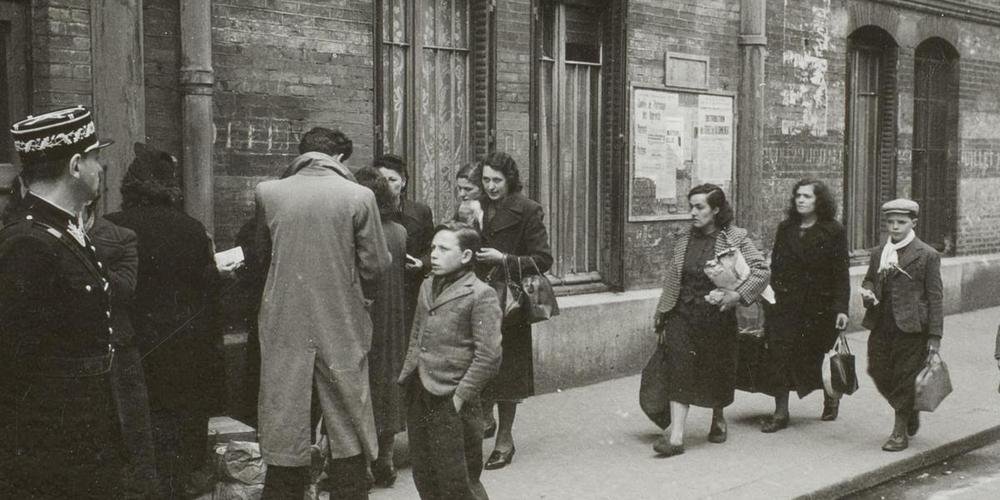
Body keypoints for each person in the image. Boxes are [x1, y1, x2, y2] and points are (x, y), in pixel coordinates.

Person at [254, 127, 391, 498]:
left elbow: (259, 258)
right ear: (339, 159)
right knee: (347, 421)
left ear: (301, 155)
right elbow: (376, 265)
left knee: (285, 422)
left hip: (284, 322)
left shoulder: (269, 192)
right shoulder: (360, 197)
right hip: (340, 321)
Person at [0, 106, 122, 497]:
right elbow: (14, 357)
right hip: (51, 441)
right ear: (74, 166)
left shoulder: (61, 230)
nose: (100, 167)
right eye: (94, 158)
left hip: (81, 428)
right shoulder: (28, 243)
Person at [105, 142, 223, 497]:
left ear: (129, 185)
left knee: (136, 429)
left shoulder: (110, 227)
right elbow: (208, 292)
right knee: (179, 426)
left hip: (131, 346)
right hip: (183, 343)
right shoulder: (192, 228)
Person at [650, 184, 770, 457]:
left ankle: (718, 417)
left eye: (699, 207)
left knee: (717, 369)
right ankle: (677, 437)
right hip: (682, 314)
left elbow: (761, 271)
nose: (692, 212)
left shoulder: (734, 238)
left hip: (716, 315)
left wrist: (736, 295)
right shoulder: (683, 239)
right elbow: (673, 278)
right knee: (680, 366)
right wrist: (662, 312)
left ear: (715, 209)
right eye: (690, 206)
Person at [398, 222, 502, 500]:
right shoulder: (428, 284)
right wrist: (408, 378)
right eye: (433, 247)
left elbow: (489, 356)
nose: (433, 254)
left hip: (453, 399)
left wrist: (460, 397)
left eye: (444, 249)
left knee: (458, 481)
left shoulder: (481, 294)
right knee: (425, 475)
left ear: (466, 256)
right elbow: (417, 335)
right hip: (420, 392)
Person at [476, 151, 553, 470]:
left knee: (508, 373)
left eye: (497, 180)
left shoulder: (527, 209)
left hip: (510, 304)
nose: (491, 186)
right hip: (476, 300)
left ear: (510, 180)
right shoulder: (475, 206)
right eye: (485, 179)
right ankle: (484, 418)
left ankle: (505, 439)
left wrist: (504, 258)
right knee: (478, 365)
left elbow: (543, 260)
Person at [760, 179, 850, 432]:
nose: (801, 200)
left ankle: (831, 396)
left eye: (807, 196)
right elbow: (776, 266)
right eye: (798, 195)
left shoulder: (833, 230)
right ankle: (780, 412)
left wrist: (841, 308)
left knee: (819, 353)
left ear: (819, 201)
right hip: (785, 304)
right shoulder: (786, 228)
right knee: (780, 355)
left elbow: (841, 273)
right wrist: (771, 301)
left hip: (819, 306)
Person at [86, 194, 160, 498]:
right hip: (71, 351)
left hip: (117, 346)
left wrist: (83, 255)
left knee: (131, 432)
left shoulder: (120, 237)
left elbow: (126, 289)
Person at [861, 198, 943, 452]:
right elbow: (869, 280)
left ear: (913, 223)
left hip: (912, 328)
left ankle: (899, 432)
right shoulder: (879, 253)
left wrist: (934, 336)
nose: (895, 227)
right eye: (890, 222)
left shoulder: (927, 254)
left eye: (901, 222)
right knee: (877, 370)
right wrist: (868, 292)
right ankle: (910, 410)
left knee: (905, 378)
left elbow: (935, 296)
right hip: (882, 324)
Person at [355, 166, 409, 487]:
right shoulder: (398, 232)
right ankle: (385, 459)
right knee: (388, 382)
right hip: (392, 319)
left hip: (365, 316)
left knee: (361, 385)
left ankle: (362, 462)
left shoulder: (358, 232)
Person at [375, 154, 434, 334]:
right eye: (381, 179)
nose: (386, 184)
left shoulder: (420, 211)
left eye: (392, 179)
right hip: (381, 288)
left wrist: (422, 263)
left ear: (403, 182)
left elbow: (431, 248)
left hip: (410, 288)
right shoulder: (369, 210)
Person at [455, 161, 484, 229]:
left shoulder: (490, 213)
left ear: (481, 189)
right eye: (459, 188)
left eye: (468, 189)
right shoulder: (462, 208)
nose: (461, 194)